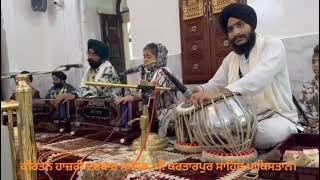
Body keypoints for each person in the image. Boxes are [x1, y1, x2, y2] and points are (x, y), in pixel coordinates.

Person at [191, 3, 298, 150]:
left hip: (278, 117)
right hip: (245, 120)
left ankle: (289, 130)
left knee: (262, 136)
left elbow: (259, 78)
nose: (236, 33)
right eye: (230, 29)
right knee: (213, 128)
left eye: (240, 25)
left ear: (251, 25)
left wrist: (223, 92)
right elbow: (215, 83)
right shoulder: (231, 58)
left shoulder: (272, 45)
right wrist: (197, 90)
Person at [115, 43, 178, 137]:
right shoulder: (149, 73)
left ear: (158, 58)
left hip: (167, 115)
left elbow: (152, 92)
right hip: (156, 115)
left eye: (148, 56)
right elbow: (142, 92)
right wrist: (132, 94)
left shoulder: (164, 71)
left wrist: (132, 97)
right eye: (144, 56)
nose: (145, 59)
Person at [55, 39, 122, 104]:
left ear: (102, 56)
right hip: (94, 108)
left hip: (113, 108)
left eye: (94, 54)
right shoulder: (90, 70)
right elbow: (84, 87)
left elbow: (96, 89)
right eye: (89, 53)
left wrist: (74, 94)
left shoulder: (108, 70)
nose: (90, 57)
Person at [298, 44, 319, 133]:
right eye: (313, 62)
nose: (316, 65)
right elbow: (301, 117)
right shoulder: (306, 88)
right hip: (310, 133)